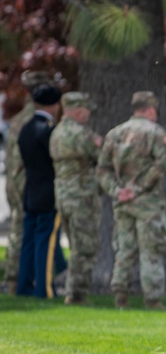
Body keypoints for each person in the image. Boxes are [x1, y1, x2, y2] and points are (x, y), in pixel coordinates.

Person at [97, 91, 166, 310]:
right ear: (150, 110)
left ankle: (120, 297)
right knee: (151, 251)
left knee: (124, 250)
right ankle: (153, 299)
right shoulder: (155, 133)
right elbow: (162, 163)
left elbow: (102, 169)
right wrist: (138, 188)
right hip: (148, 203)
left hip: (122, 203)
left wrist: (117, 191)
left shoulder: (115, 133)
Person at [49, 91, 102, 305]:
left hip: (63, 196)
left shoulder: (56, 132)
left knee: (75, 244)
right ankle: (76, 294)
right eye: (87, 109)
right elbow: (102, 156)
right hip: (82, 197)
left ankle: (73, 290)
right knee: (85, 247)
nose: (88, 114)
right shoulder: (81, 134)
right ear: (79, 110)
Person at [16, 83, 66, 299]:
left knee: (29, 241)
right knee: (46, 241)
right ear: (55, 105)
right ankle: (43, 289)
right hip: (48, 193)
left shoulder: (25, 128)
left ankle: (23, 285)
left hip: (30, 191)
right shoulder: (48, 129)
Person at [4, 70, 52, 293]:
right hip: (32, 182)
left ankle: (17, 281)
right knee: (31, 234)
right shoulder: (39, 121)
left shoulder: (17, 121)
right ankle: (22, 281)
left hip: (17, 181)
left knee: (22, 231)